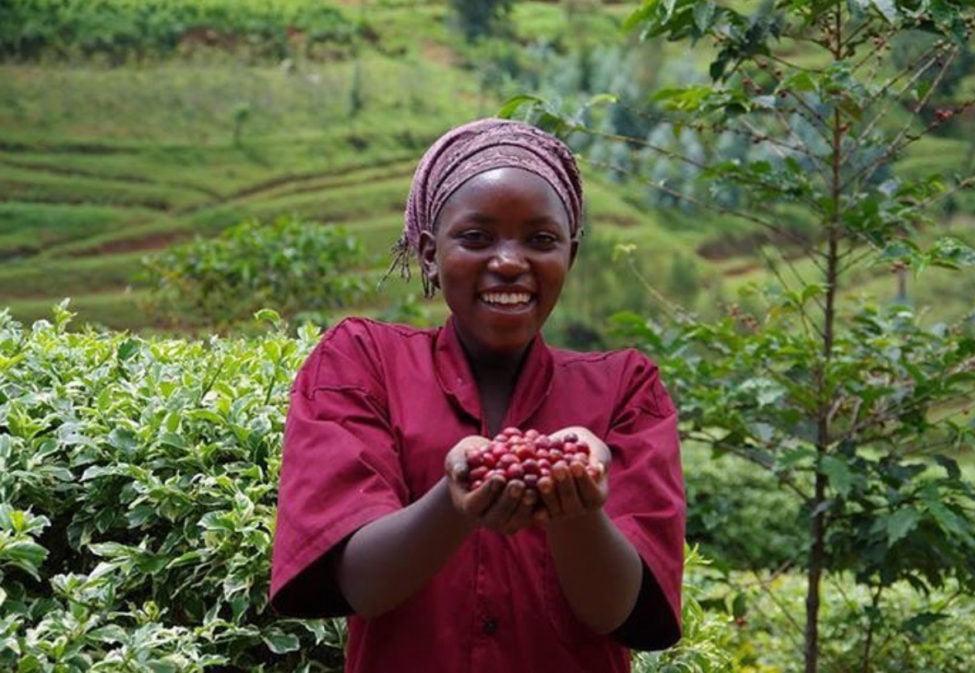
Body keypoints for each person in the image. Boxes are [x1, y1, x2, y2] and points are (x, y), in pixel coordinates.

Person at [269, 118, 686, 672]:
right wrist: (452, 500)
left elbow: (616, 611)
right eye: (476, 237)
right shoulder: (361, 364)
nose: (510, 262)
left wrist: (577, 510)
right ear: (428, 254)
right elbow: (360, 583)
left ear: (571, 254)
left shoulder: (625, 392)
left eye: (541, 240)